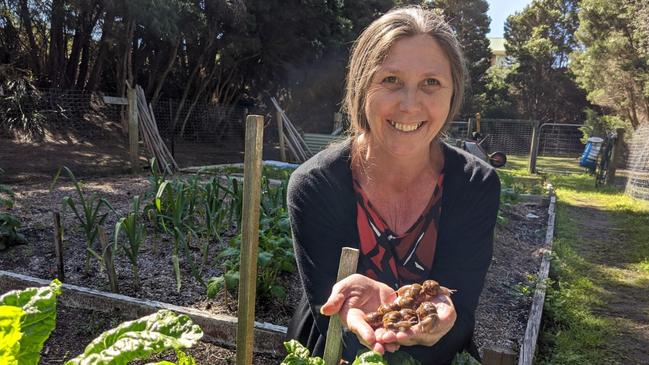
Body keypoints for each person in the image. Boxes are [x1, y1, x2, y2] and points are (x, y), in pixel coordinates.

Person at [286, 6, 500, 364]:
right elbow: (329, 316)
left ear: (452, 94)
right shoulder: (314, 185)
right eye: (391, 80)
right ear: (361, 86)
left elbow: (460, 314)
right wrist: (357, 318)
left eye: (431, 83)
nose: (409, 104)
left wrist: (440, 327)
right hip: (333, 349)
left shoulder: (476, 185)